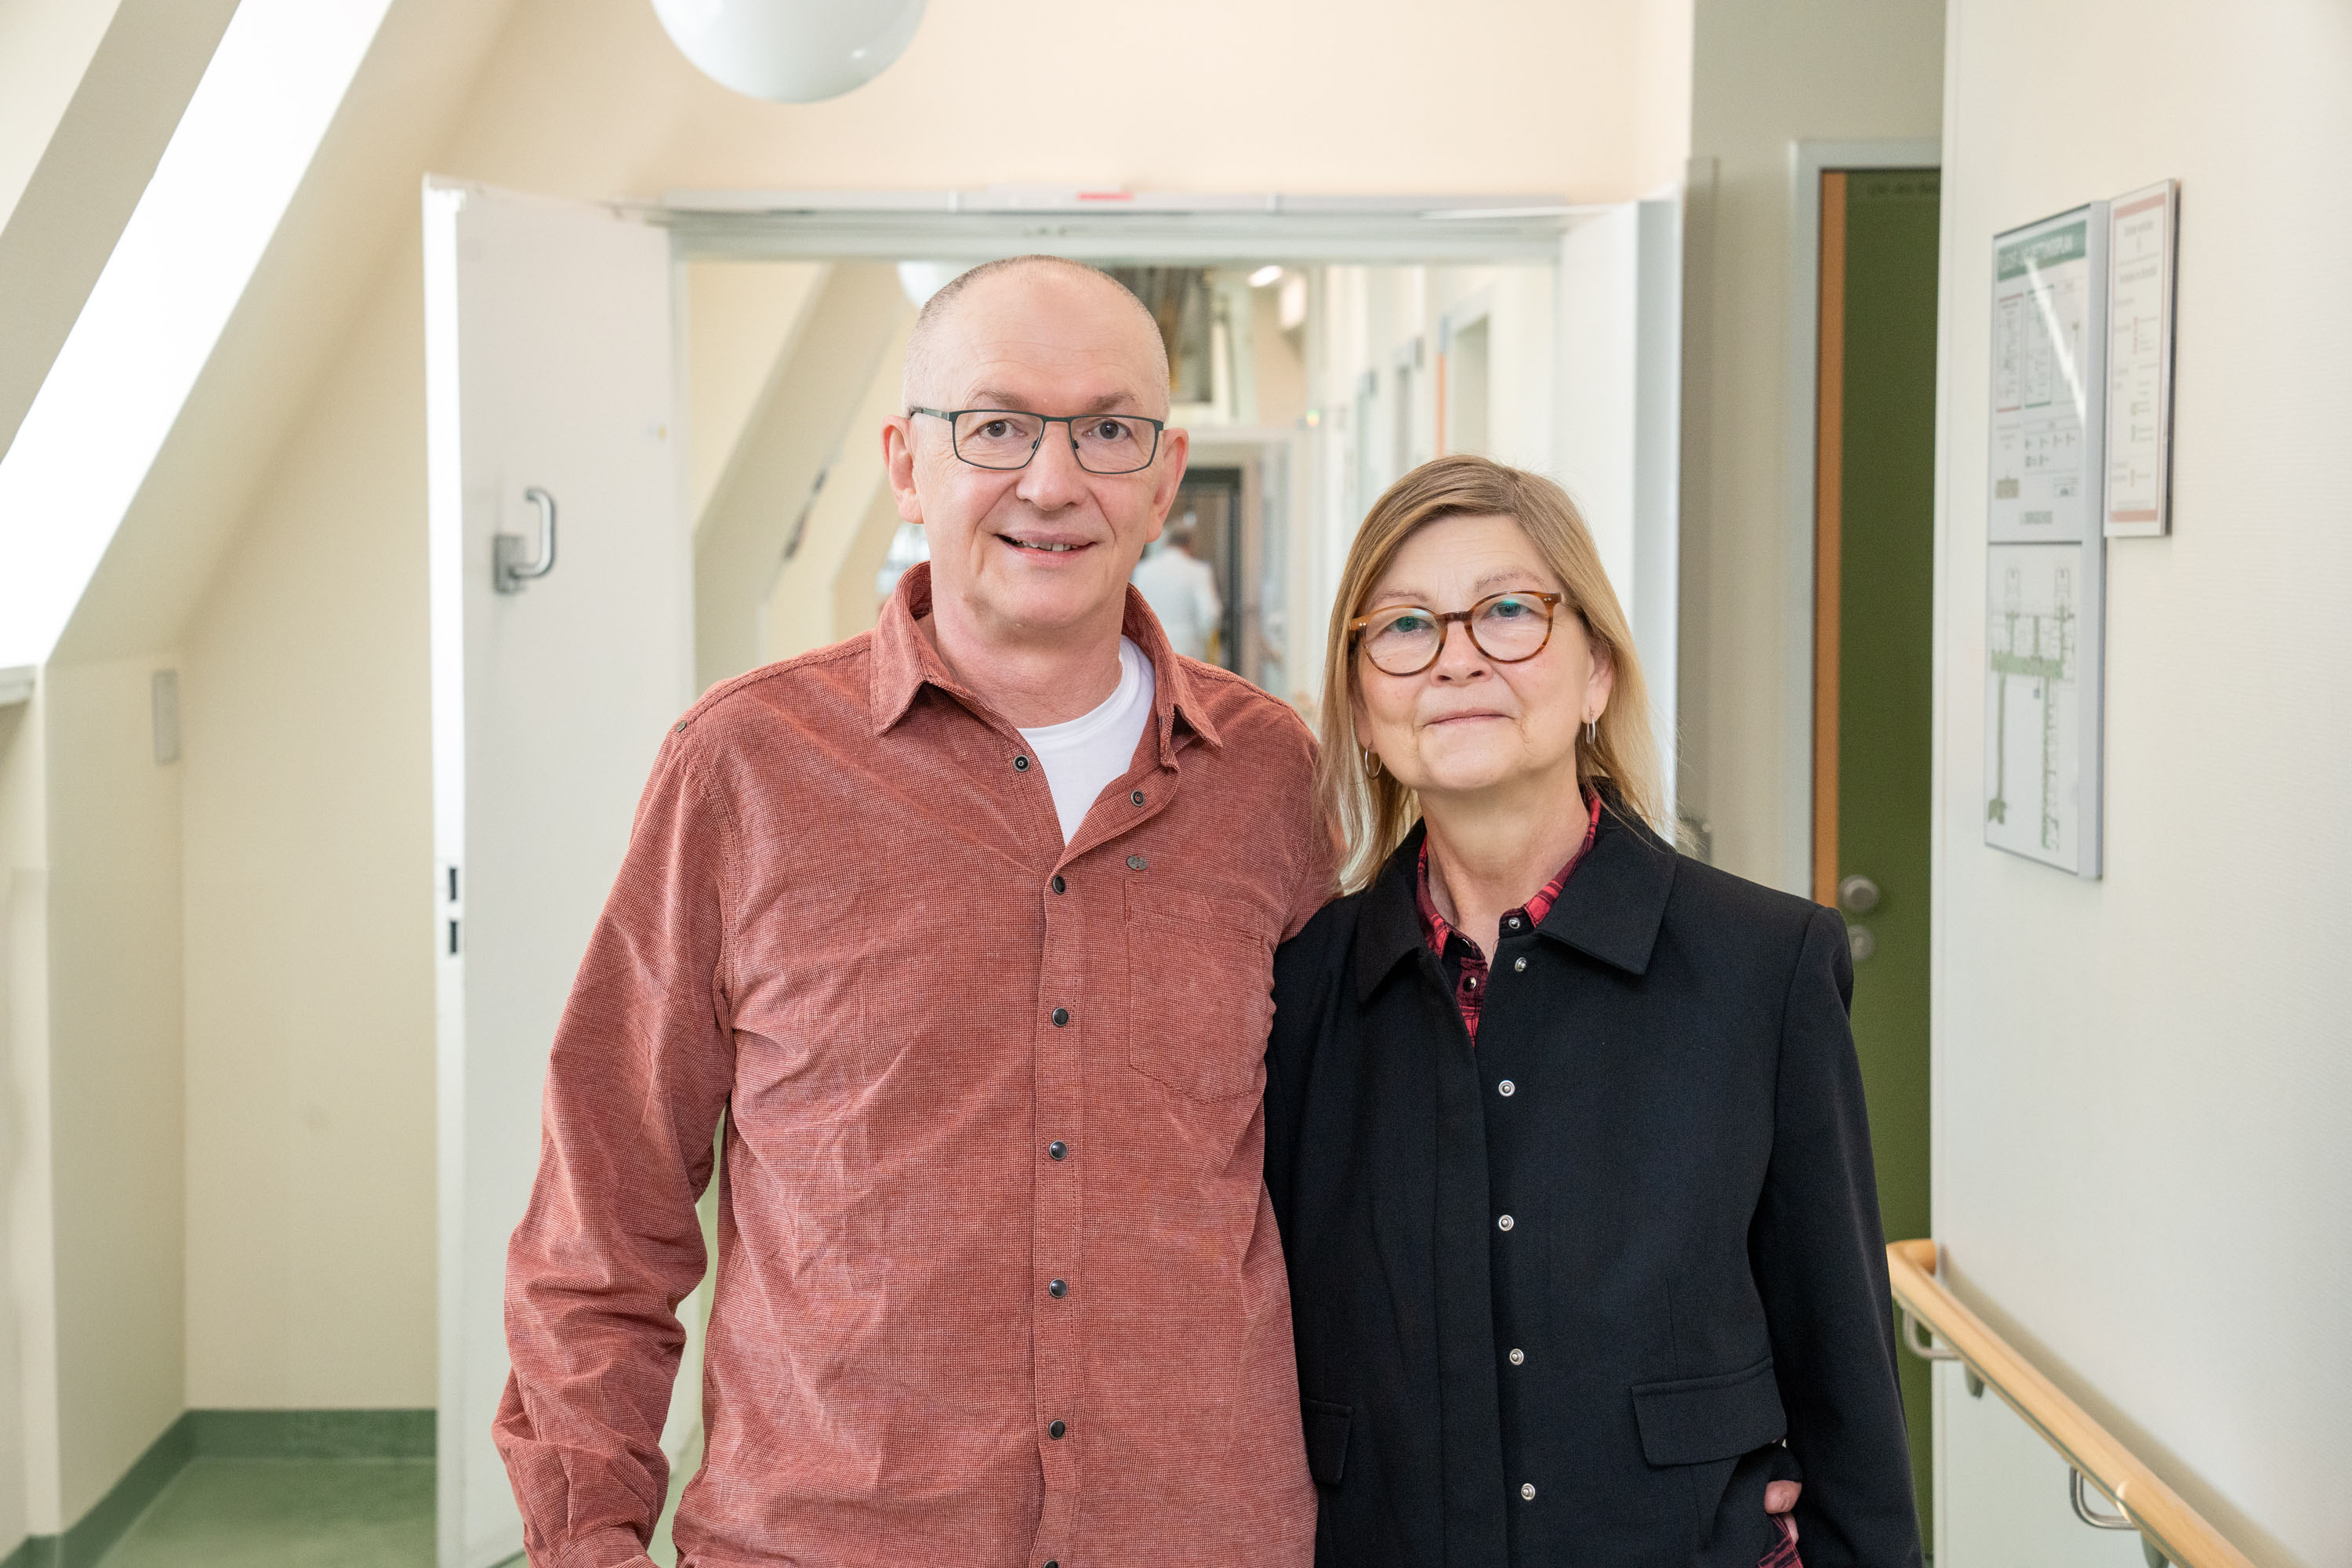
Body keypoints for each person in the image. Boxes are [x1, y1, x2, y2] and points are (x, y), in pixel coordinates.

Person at [495, 256, 1336, 1567]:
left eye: (1108, 431)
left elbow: (1370, 1185)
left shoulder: (1269, 775)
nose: (1052, 484)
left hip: (1200, 1534)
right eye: (995, 426)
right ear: (906, 462)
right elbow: (608, 1198)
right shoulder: (747, 765)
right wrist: (586, 1536)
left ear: (1164, 478)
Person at [1264, 456, 1919, 1567]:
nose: (1459, 656)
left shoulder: (1765, 967)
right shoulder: (1300, 991)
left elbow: (1844, 1369)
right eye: (1406, 627)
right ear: (1364, 708)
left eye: (1511, 612)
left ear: (1598, 672)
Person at [1131, 522, 1223, 662]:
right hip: (1187, 649)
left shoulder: (1143, 569)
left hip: (1149, 646)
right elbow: (1209, 615)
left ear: (1167, 542)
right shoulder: (1199, 571)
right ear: (1191, 543)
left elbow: (1133, 610)